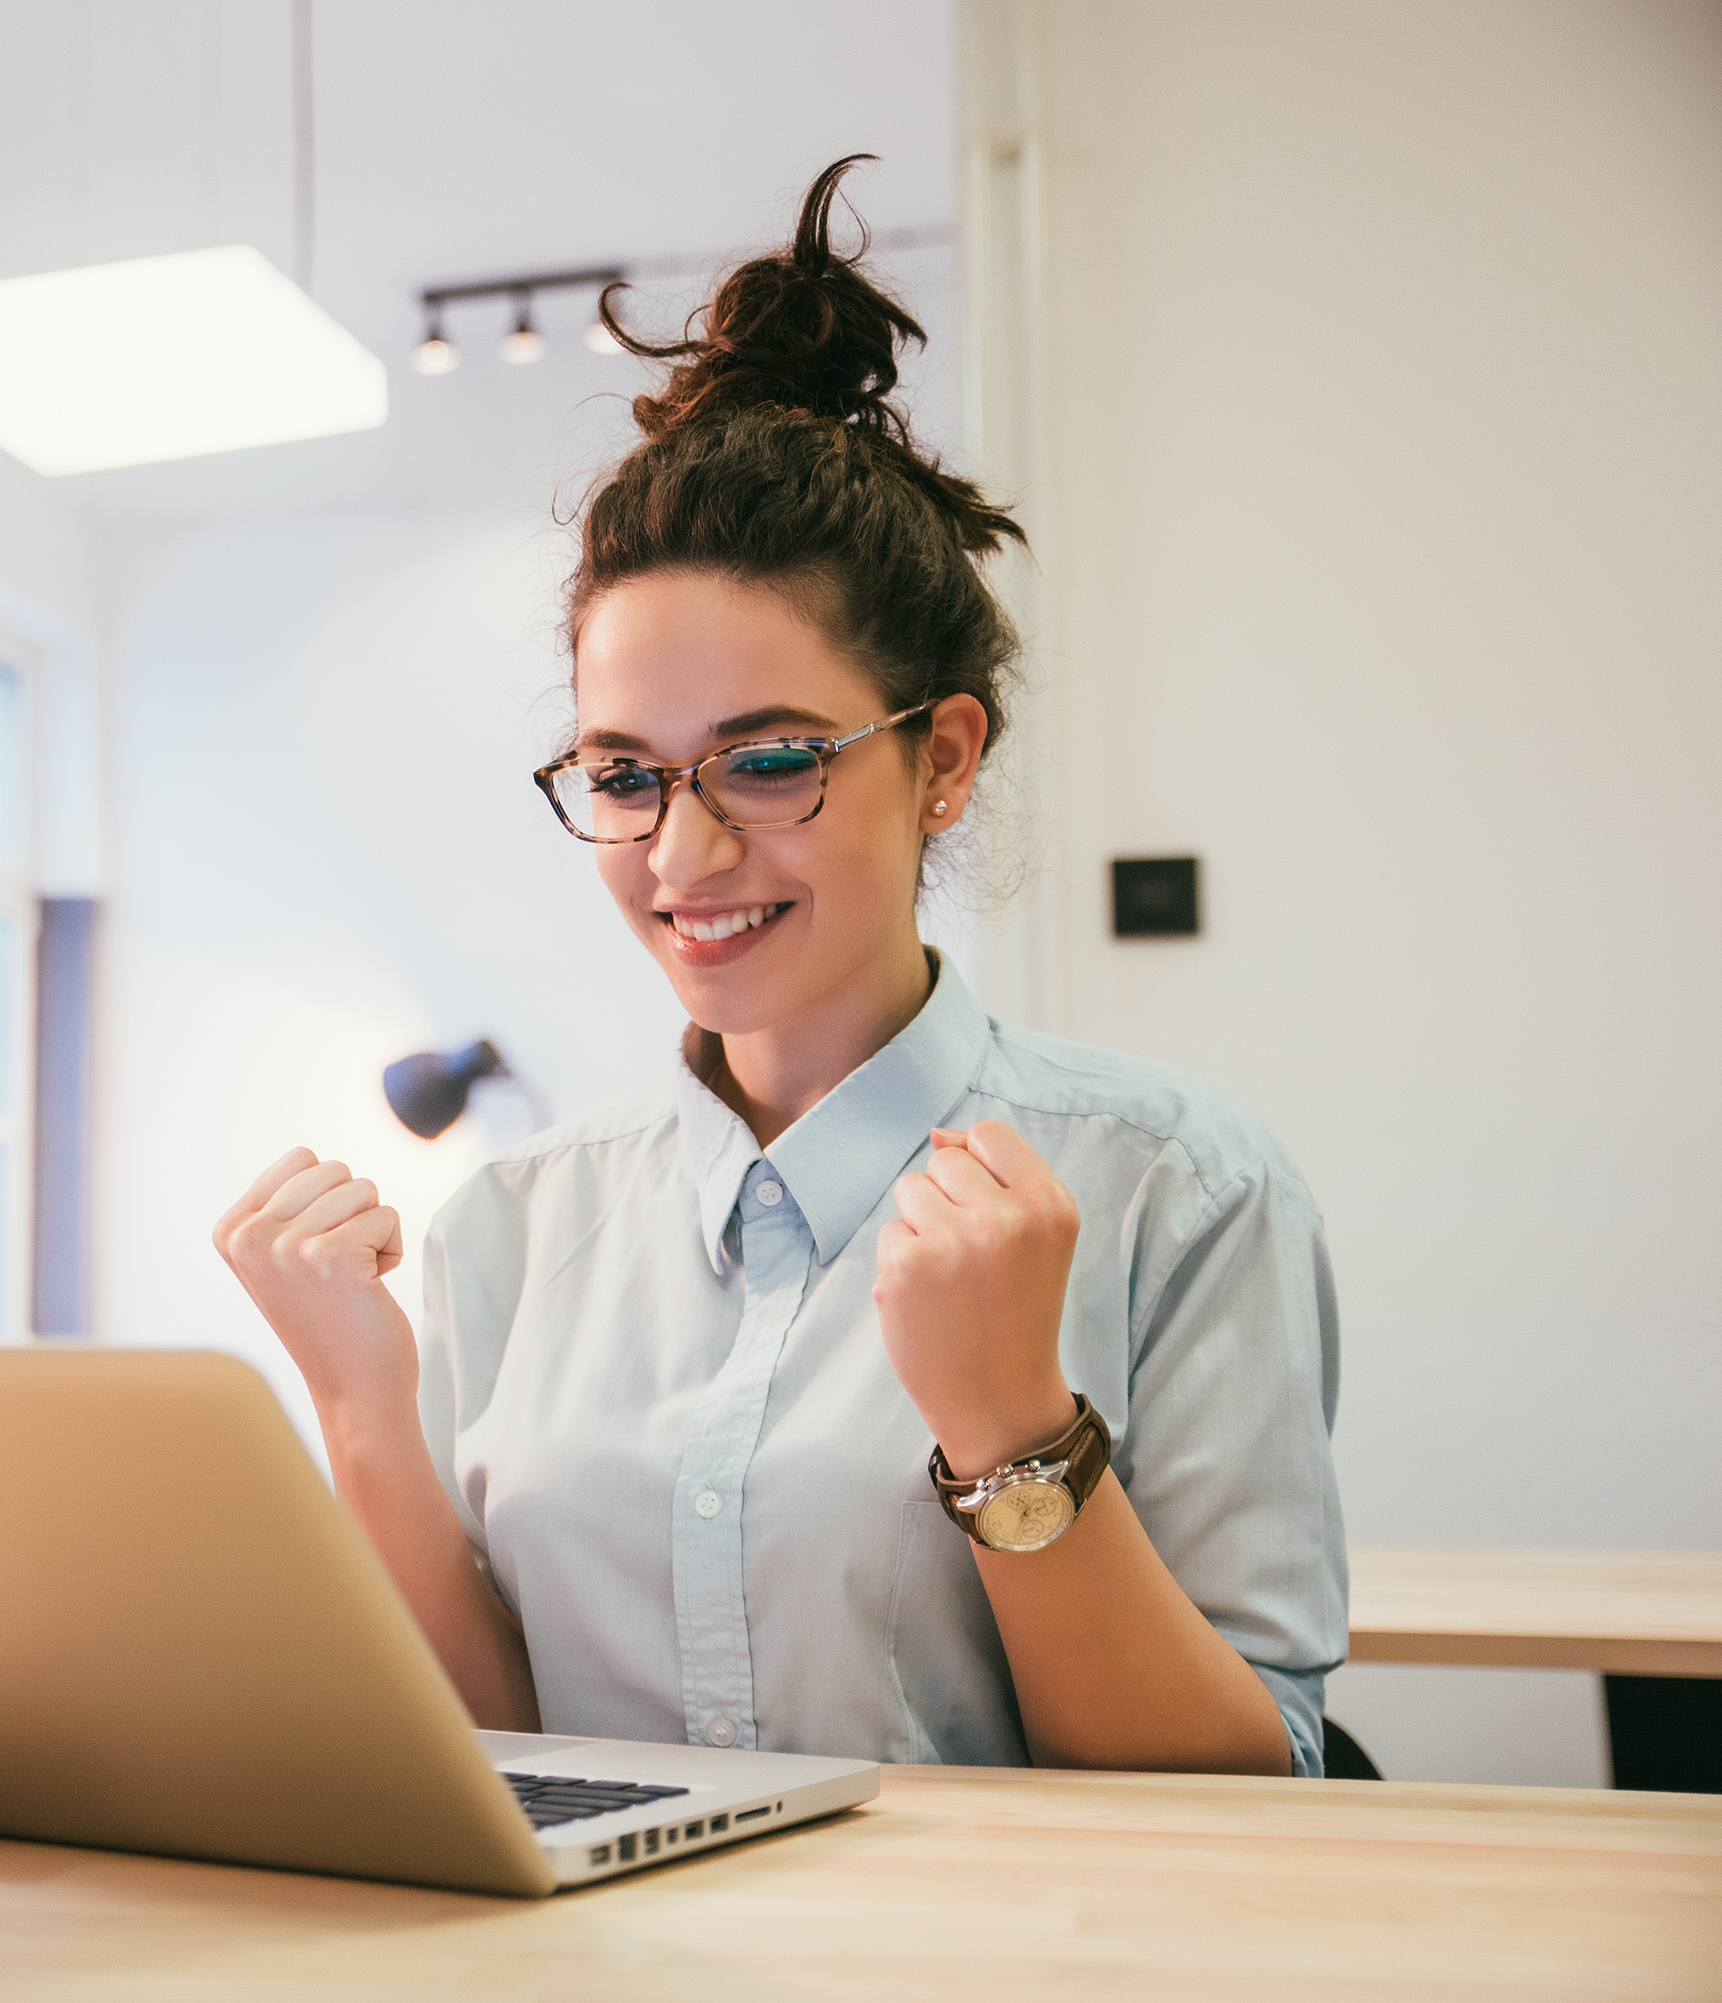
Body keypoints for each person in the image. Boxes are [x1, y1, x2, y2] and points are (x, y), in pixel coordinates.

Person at [214, 157, 1345, 1778]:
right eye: (622, 775)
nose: (682, 860)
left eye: (770, 762)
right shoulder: (516, 1230)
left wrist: (1013, 1431)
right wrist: (365, 1417)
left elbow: (1246, 1801)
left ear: (943, 760)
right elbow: (503, 1766)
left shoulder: (1183, 1190)